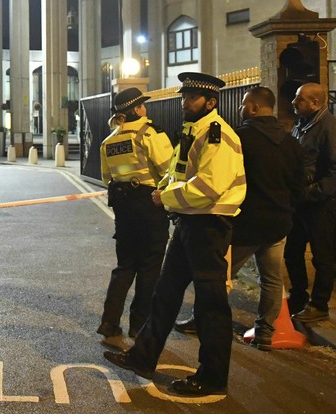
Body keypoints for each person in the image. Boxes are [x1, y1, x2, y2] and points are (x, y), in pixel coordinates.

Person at [104, 72, 246, 398]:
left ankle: (212, 377)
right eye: (184, 96)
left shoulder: (216, 136)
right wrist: (165, 189)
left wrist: (163, 197)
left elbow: (208, 188)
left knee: (211, 306)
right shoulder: (192, 131)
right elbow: (175, 171)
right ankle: (142, 356)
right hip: (188, 224)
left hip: (209, 227)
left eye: (192, 98)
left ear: (210, 102)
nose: (185, 102)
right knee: (164, 295)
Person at [174, 87, 305, 349]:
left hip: (246, 225)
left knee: (218, 278)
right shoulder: (291, 141)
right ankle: (266, 333)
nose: (240, 108)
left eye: (243, 104)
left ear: (254, 108)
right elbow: (298, 184)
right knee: (271, 279)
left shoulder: (238, 138)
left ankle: (203, 322)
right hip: (278, 223)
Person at [97, 88, 174, 339]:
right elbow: (168, 171)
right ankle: (138, 325)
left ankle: (109, 322)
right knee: (150, 266)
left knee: (125, 265)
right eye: (142, 105)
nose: (145, 108)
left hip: (123, 206)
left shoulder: (109, 142)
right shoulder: (150, 133)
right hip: (149, 204)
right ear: (137, 109)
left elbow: (106, 177)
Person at [285, 82, 336, 324]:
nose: (293, 102)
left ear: (315, 103)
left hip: (320, 204)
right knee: (293, 252)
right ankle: (298, 296)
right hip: (301, 202)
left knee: (321, 256)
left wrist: (315, 192)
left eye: (299, 99)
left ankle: (320, 304)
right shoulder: (303, 124)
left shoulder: (329, 127)